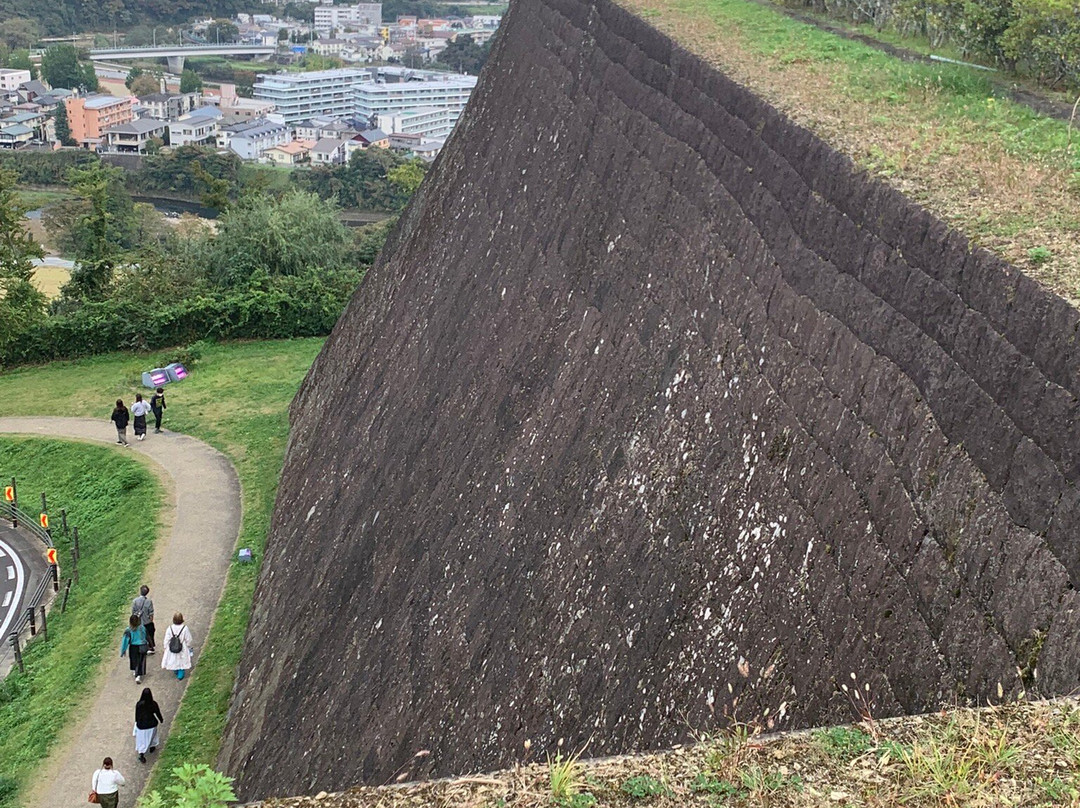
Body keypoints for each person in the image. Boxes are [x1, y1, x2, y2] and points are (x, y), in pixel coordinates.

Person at [133, 687, 163, 763]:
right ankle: (152, 746)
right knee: (153, 735)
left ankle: (141, 753)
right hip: (152, 724)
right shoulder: (153, 704)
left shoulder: (139, 704)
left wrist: (137, 722)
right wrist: (161, 719)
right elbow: (157, 712)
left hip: (142, 725)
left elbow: (137, 715)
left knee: (142, 740)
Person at [161, 613, 193, 680]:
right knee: (181, 660)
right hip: (182, 646)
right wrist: (188, 645)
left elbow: (167, 638)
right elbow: (188, 639)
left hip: (172, 646)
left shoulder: (170, 628)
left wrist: (165, 646)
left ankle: (175, 669)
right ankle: (180, 673)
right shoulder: (185, 628)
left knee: (174, 659)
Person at [120, 614, 147, 684]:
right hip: (142, 646)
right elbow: (145, 636)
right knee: (141, 660)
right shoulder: (142, 628)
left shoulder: (128, 630)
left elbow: (125, 641)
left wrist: (123, 651)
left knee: (134, 660)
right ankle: (139, 675)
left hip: (133, 647)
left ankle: (135, 671)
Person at [132, 585, 155, 654]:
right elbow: (151, 612)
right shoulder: (149, 601)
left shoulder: (135, 601)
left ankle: (142, 647)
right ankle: (150, 646)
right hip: (147, 622)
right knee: (150, 634)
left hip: (139, 622)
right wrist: (151, 620)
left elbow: (133, 612)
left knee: (141, 635)